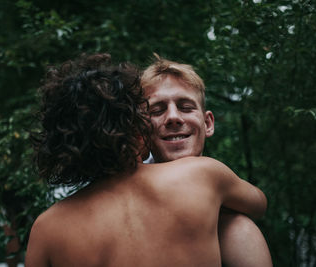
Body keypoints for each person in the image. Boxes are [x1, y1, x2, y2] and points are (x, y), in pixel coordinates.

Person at [25, 53, 267, 267]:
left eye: (184, 107)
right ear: (134, 129)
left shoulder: (46, 229)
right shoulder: (201, 175)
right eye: (152, 112)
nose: (172, 118)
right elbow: (259, 203)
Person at [141, 55, 273, 267]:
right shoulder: (124, 190)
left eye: (185, 107)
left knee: (239, 227)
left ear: (208, 123)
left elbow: (260, 204)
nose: (173, 117)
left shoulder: (231, 224)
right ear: (142, 128)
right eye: (157, 110)